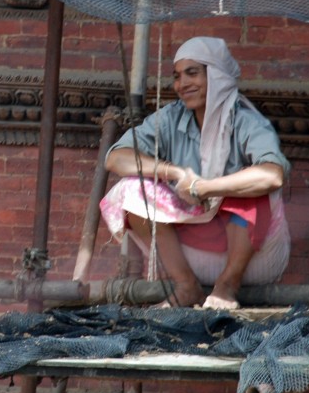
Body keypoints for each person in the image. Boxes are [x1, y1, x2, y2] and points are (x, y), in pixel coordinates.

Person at [101, 36, 291, 310]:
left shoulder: (247, 121)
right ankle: (186, 286)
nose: (182, 84)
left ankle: (226, 287)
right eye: (177, 76)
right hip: (191, 252)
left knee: (251, 187)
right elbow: (116, 158)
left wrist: (205, 187)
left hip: (255, 257)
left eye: (193, 73)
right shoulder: (170, 118)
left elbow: (273, 176)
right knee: (131, 188)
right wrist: (175, 171)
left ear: (217, 75)